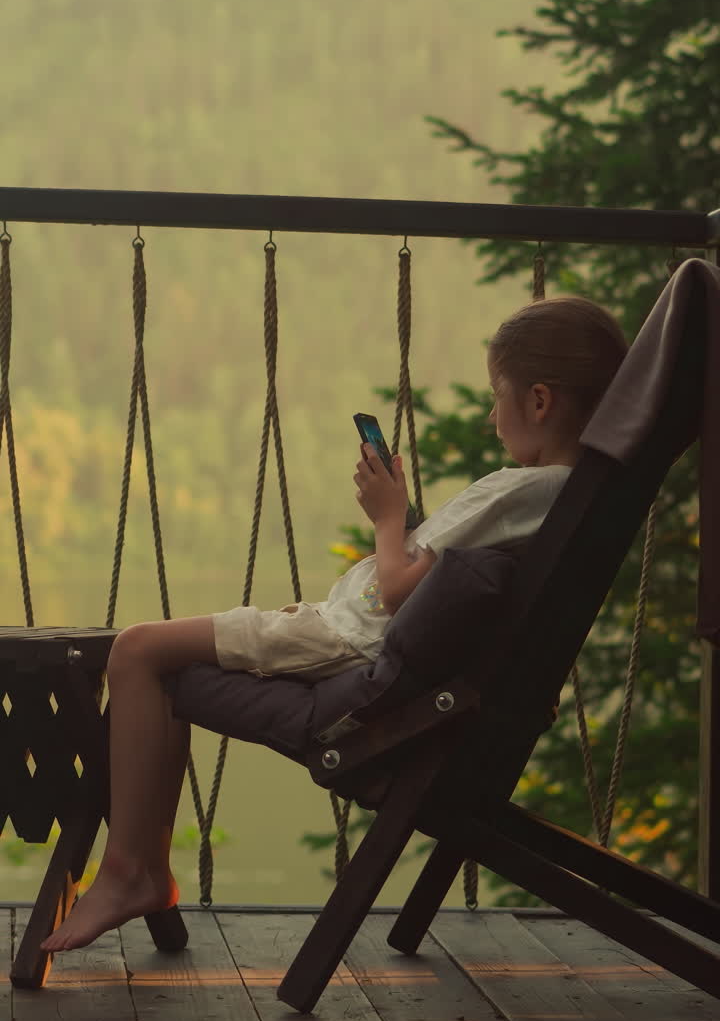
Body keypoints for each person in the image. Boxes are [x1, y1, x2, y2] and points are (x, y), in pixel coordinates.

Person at [41, 294, 628, 953]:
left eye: (499, 395)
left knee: (136, 651)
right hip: (350, 637)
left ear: (541, 401)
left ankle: (128, 872)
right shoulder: (568, 496)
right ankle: (141, 870)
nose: (494, 415)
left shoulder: (517, 490)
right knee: (154, 657)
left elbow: (399, 590)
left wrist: (387, 516)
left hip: (342, 640)